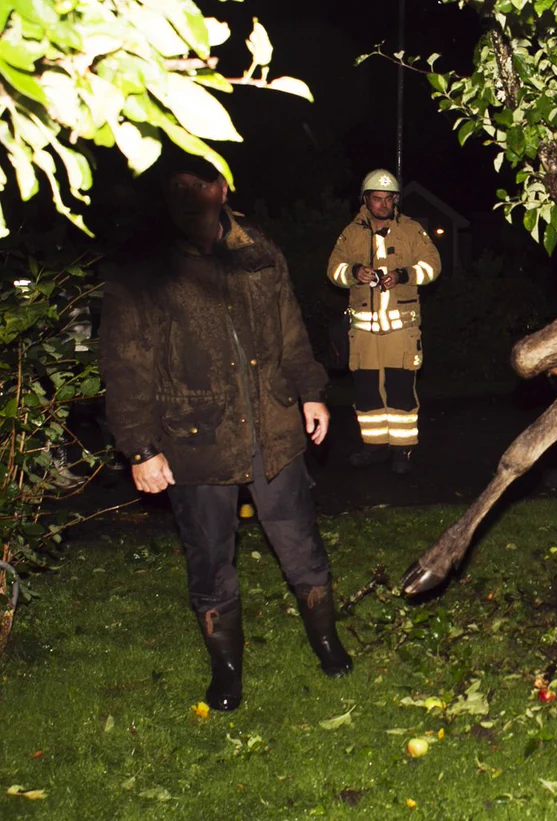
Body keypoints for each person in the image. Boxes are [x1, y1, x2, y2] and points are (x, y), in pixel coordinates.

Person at [99, 152, 352, 712]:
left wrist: (311, 390)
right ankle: (227, 671)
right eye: (179, 184)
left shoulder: (257, 250)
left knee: (300, 544)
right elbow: (125, 362)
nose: (191, 193)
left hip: (274, 426)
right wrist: (140, 447)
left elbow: (291, 331)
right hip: (194, 438)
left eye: (202, 181)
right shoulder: (145, 266)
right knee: (210, 558)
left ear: (223, 187)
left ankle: (327, 641)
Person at [326, 169, 442, 474]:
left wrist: (404, 274)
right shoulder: (351, 232)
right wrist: (353, 272)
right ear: (366, 199)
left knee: (401, 390)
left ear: (396, 200)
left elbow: (433, 265)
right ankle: (373, 447)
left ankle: (402, 451)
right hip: (363, 333)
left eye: (389, 199)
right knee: (366, 392)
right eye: (377, 199)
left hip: (401, 331)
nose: (383, 204)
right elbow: (333, 270)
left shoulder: (411, 230)